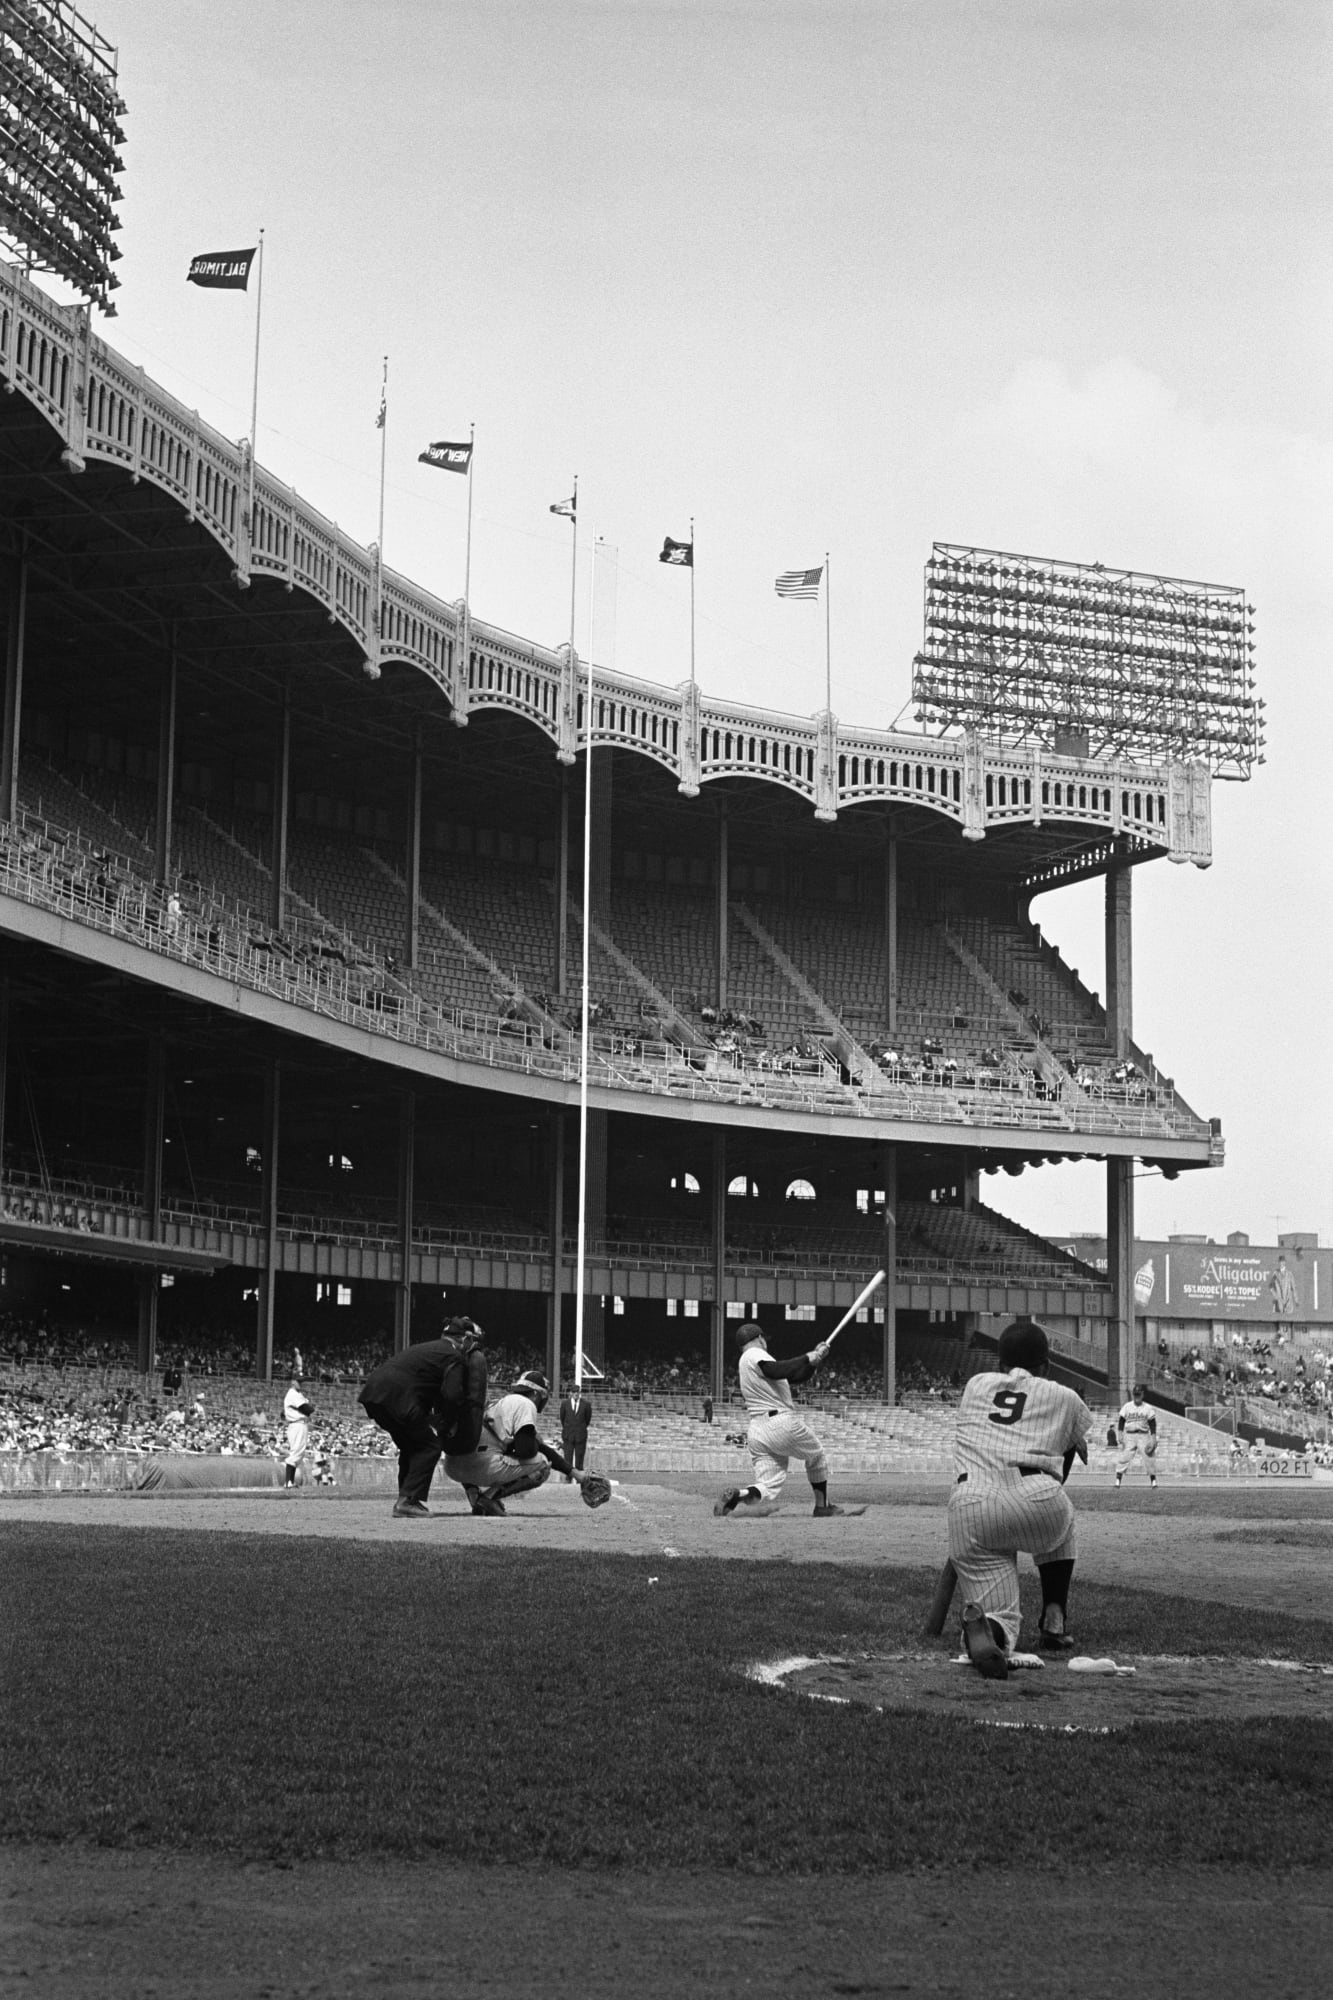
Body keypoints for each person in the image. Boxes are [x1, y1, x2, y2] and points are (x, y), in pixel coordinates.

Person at [947, 1318, 1093, 1680]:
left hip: (972, 1501)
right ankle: (1054, 1616)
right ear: (1046, 1366)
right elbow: (1070, 1453)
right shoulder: (1065, 1396)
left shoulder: (976, 1385)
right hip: (1038, 1494)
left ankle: (990, 1631)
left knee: (1000, 1614)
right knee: (1062, 1516)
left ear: (999, 1364)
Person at [713, 1319, 852, 1519]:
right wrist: (806, 1356)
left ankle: (740, 1494)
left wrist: (813, 1363)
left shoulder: (747, 1362)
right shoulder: (755, 1353)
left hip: (757, 1431)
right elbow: (777, 1369)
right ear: (759, 1338)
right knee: (817, 1455)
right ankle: (822, 1506)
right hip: (779, 1422)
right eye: (763, 1338)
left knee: (767, 1486)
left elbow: (793, 1377)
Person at [357, 1318, 487, 1517]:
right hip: (398, 1397)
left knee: (412, 1446)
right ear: (465, 1339)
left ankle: (405, 1498)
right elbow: (452, 1395)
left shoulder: (429, 1348)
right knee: (430, 1445)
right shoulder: (454, 1355)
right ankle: (408, 1501)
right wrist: (448, 1423)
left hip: (374, 1395)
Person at [444, 1369, 594, 1515]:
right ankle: (488, 1498)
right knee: (542, 1465)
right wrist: (531, 1442)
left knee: (478, 1448)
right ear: (536, 1394)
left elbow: (540, 1446)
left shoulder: (500, 1403)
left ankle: (473, 1494)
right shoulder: (525, 1404)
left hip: (453, 1467)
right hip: (482, 1466)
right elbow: (526, 1451)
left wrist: (575, 1474)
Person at [1115, 1383, 1159, 1489]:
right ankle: (1117, 1480)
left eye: (1139, 1394)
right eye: (1135, 1394)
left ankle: (1153, 1481)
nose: (1137, 1396)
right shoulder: (1127, 1406)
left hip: (1143, 1435)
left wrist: (1153, 1437)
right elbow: (1121, 1420)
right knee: (1125, 1456)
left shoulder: (1147, 1408)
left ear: (1142, 1394)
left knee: (1149, 1457)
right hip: (1129, 1435)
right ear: (1133, 1394)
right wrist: (1120, 1434)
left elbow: (1152, 1423)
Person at [281, 1375, 313, 1490]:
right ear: (293, 1382)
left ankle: (290, 1482)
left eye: (302, 1382)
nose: (301, 1384)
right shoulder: (293, 1394)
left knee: (298, 1453)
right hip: (297, 1424)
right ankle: (288, 1482)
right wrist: (311, 1408)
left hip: (299, 1424)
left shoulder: (297, 1394)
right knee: (296, 1452)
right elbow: (306, 1409)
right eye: (299, 1381)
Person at [559, 1380, 593, 1481]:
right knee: (567, 1458)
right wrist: (568, 1428)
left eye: (577, 1392)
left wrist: (580, 1428)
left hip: (580, 1435)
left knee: (579, 1458)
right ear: (570, 1393)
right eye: (574, 1392)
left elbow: (587, 1419)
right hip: (568, 1435)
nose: (576, 1394)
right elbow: (562, 1418)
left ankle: (579, 1478)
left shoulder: (586, 1404)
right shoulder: (565, 1404)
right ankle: (568, 1477)